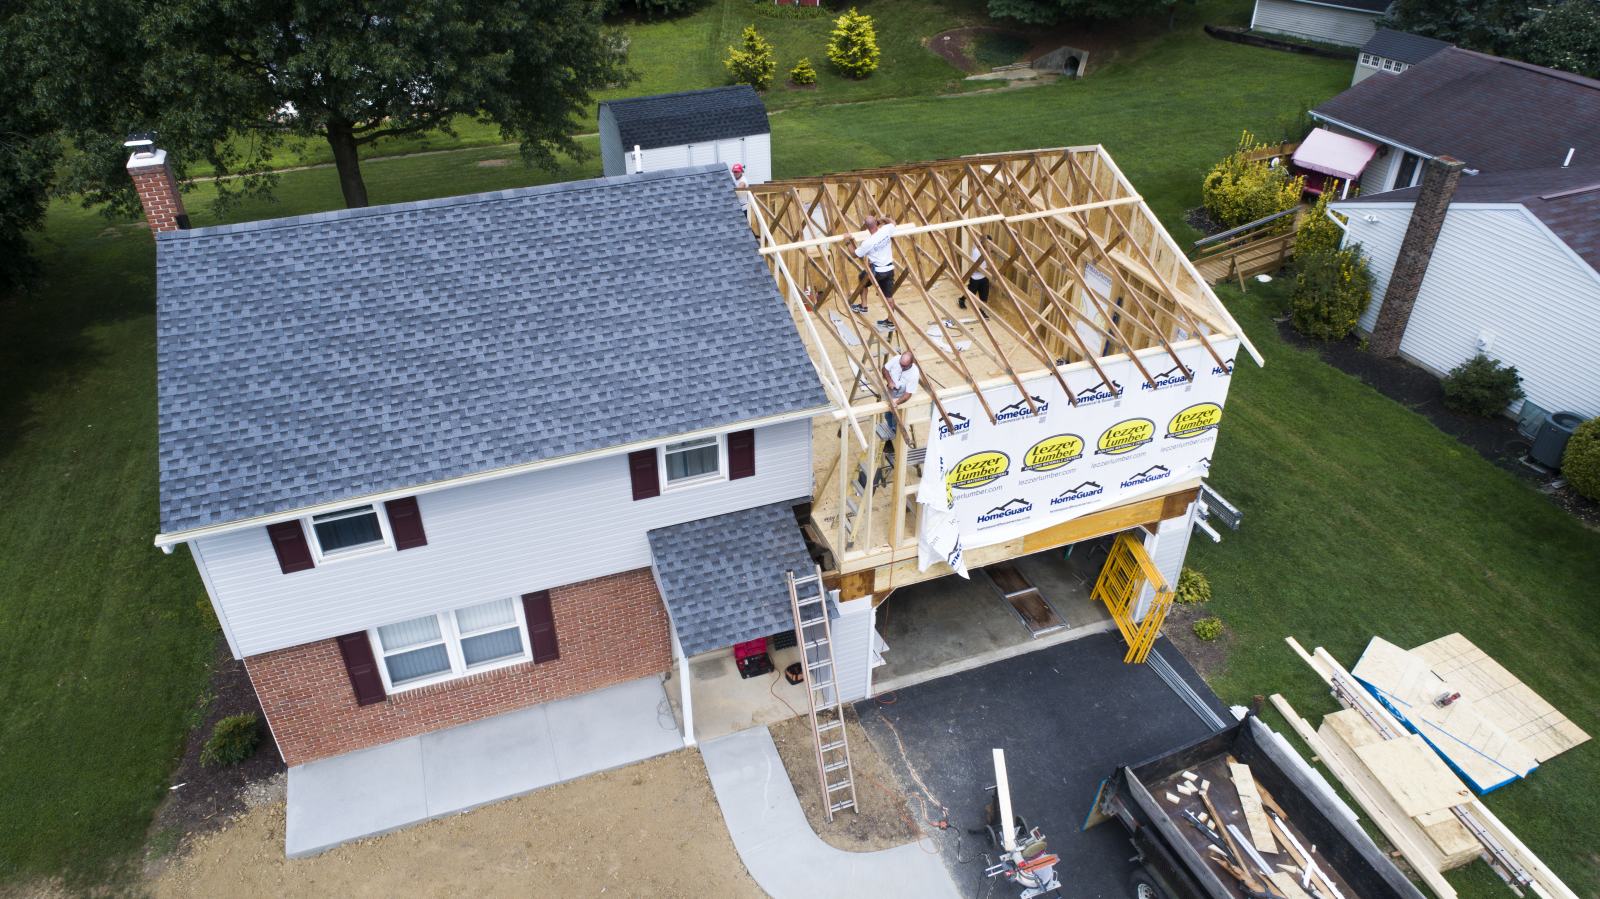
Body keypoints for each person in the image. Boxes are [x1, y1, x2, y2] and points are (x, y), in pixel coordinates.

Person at [853, 215, 898, 303]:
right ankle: (890, 317)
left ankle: (864, 305)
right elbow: (893, 223)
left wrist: (847, 242)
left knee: (862, 278)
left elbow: (855, 254)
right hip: (889, 269)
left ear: (866, 227)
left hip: (877, 272)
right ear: (876, 223)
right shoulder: (886, 230)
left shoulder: (867, 243)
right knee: (889, 297)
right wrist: (883, 219)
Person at [881, 349, 920, 438]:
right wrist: (890, 381)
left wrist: (896, 403)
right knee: (887, 415)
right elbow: (884, 369)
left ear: (911, 363)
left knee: (897, 418)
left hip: (901, 395)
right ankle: (891, 429)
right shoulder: (896, 359)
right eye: (901, 364)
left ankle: (896, 434)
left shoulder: (914, 373)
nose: (902, 367)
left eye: (904, 366)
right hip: (891, 390)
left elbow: (908, 394)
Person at [962, 235, 993, 311]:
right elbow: (975, 268)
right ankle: (962, 299)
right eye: (989, 244)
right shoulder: (976, 252)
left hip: (984, 277)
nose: (990, 246)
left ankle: (982, 311)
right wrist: (987, 269)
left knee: (984, 296)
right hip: (975, 278)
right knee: (970, 293)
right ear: (983, 243)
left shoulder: (987, 251)